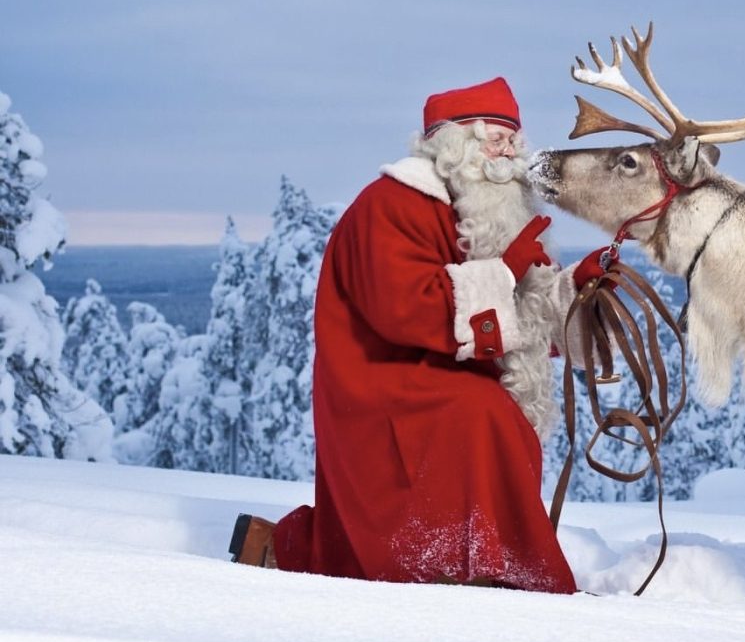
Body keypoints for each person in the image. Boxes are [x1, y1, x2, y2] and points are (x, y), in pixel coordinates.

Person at [230, 77, 602, 592]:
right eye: (496, 137)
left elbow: (521, 319)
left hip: (433, 370)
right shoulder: (391, 204)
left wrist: (578, 297)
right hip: (379, 381)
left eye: (514, 137)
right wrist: (506, 272)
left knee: (493, 412)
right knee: (480, 413)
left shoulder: (483, 210)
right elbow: (403, 308)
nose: (510, 151)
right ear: (455, 144)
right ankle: (464, 566)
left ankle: (486, 561)